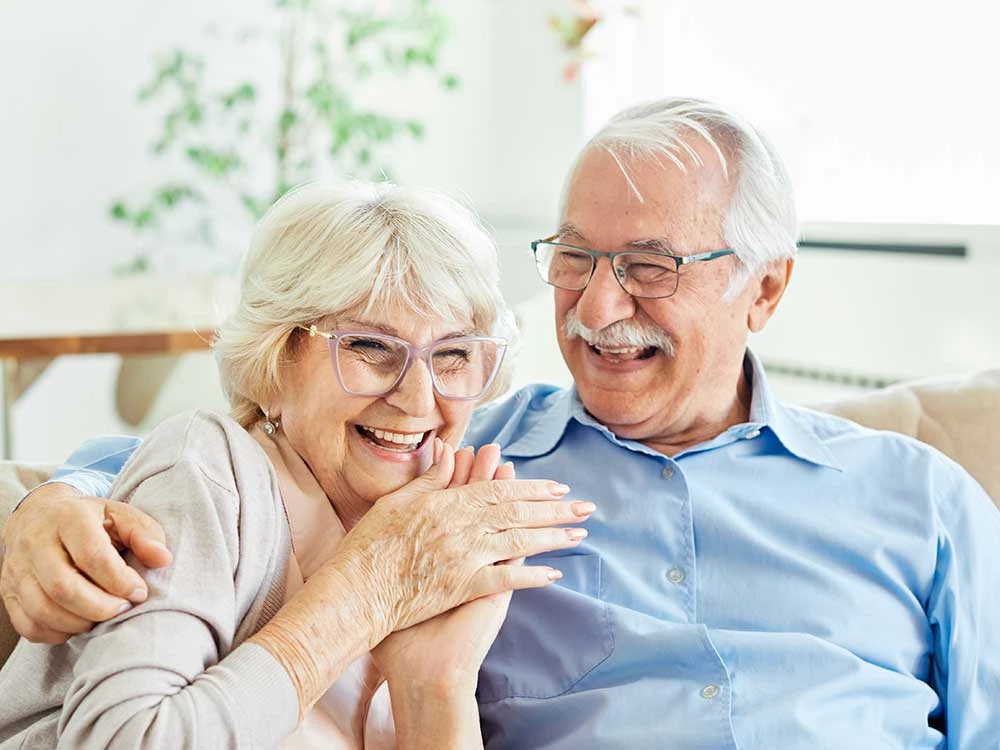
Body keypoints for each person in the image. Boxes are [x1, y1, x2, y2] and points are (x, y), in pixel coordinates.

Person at [4, 98, 1000, 748]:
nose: (596, 308)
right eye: (572, 258)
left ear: (765, 289)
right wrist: (60, 500)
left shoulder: (920, 500)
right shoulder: (464, 464)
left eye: (650, 266)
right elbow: (215, 460)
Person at [0, 181, 595, 749]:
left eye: (455, 353)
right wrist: (368, 594)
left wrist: (435, 689)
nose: (418, 398)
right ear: (276, 358)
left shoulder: (439, 528)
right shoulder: (212, 472)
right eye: (370, 347)